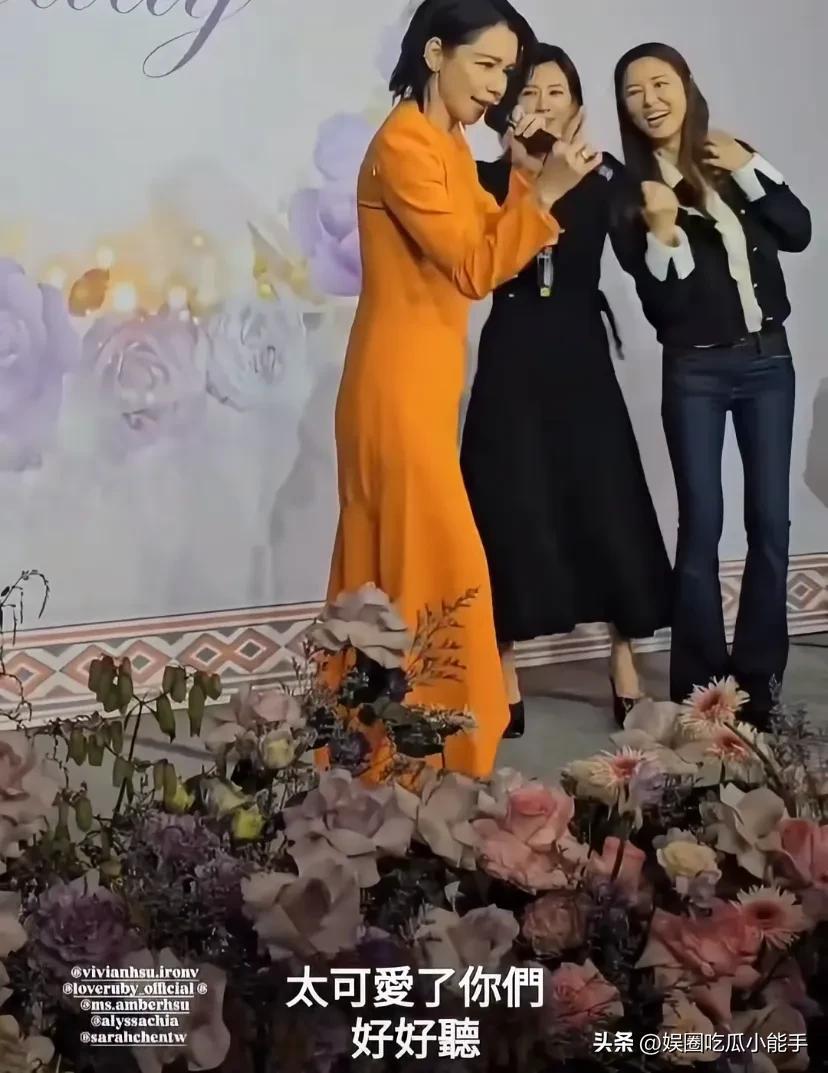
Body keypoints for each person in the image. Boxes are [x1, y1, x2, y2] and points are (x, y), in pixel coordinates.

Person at [325, 0, 603, 778]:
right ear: (435, 52)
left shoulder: (445, 141)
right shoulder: (405, 144)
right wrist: (540, 194)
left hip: (420, 381)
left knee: (401, 574)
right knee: (437, 573)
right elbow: (476, 268)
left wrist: (524, 177)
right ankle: (432, 755)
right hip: (394, 385)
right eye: (486, 66)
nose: (498, 87)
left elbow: (490, 240)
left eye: (507, 72)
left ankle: (384, 753)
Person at [460, 44, 673, 738]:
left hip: (581, 350)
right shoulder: (484, 179)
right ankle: (505, 674)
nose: (543, 105)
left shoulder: (604, 175)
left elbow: (647, 258)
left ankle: (624, 664)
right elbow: (481, 264)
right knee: (507, 501)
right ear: (507, 106)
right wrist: (525, 181)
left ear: (577, 107)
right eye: (530, 92)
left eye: (557, 93)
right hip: (512, 351)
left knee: (606, 498)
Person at [612, 43, 811, 722]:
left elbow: (798, 230)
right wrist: (663, 232)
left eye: (660, 83)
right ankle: (700, 688)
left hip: (769, 362)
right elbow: (663, 308)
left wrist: (750, 166)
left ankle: (759, 684)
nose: (650, 100)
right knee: (702, 522)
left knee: (770, 523)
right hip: (695, 368)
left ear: (686, 86)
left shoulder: (730, 161)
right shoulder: (632, 194)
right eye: (634, 91)